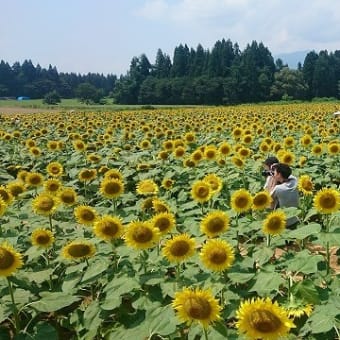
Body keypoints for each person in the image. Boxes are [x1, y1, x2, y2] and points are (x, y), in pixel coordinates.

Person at [266, 162, 300, 228]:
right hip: (295, 217)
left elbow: (268, 199)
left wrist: (274, 180)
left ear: (279, 174)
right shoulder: (295, 181)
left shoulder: (278, 188)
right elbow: (288, 175)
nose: (273, 174)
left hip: (284, 222)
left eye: (275, 172)